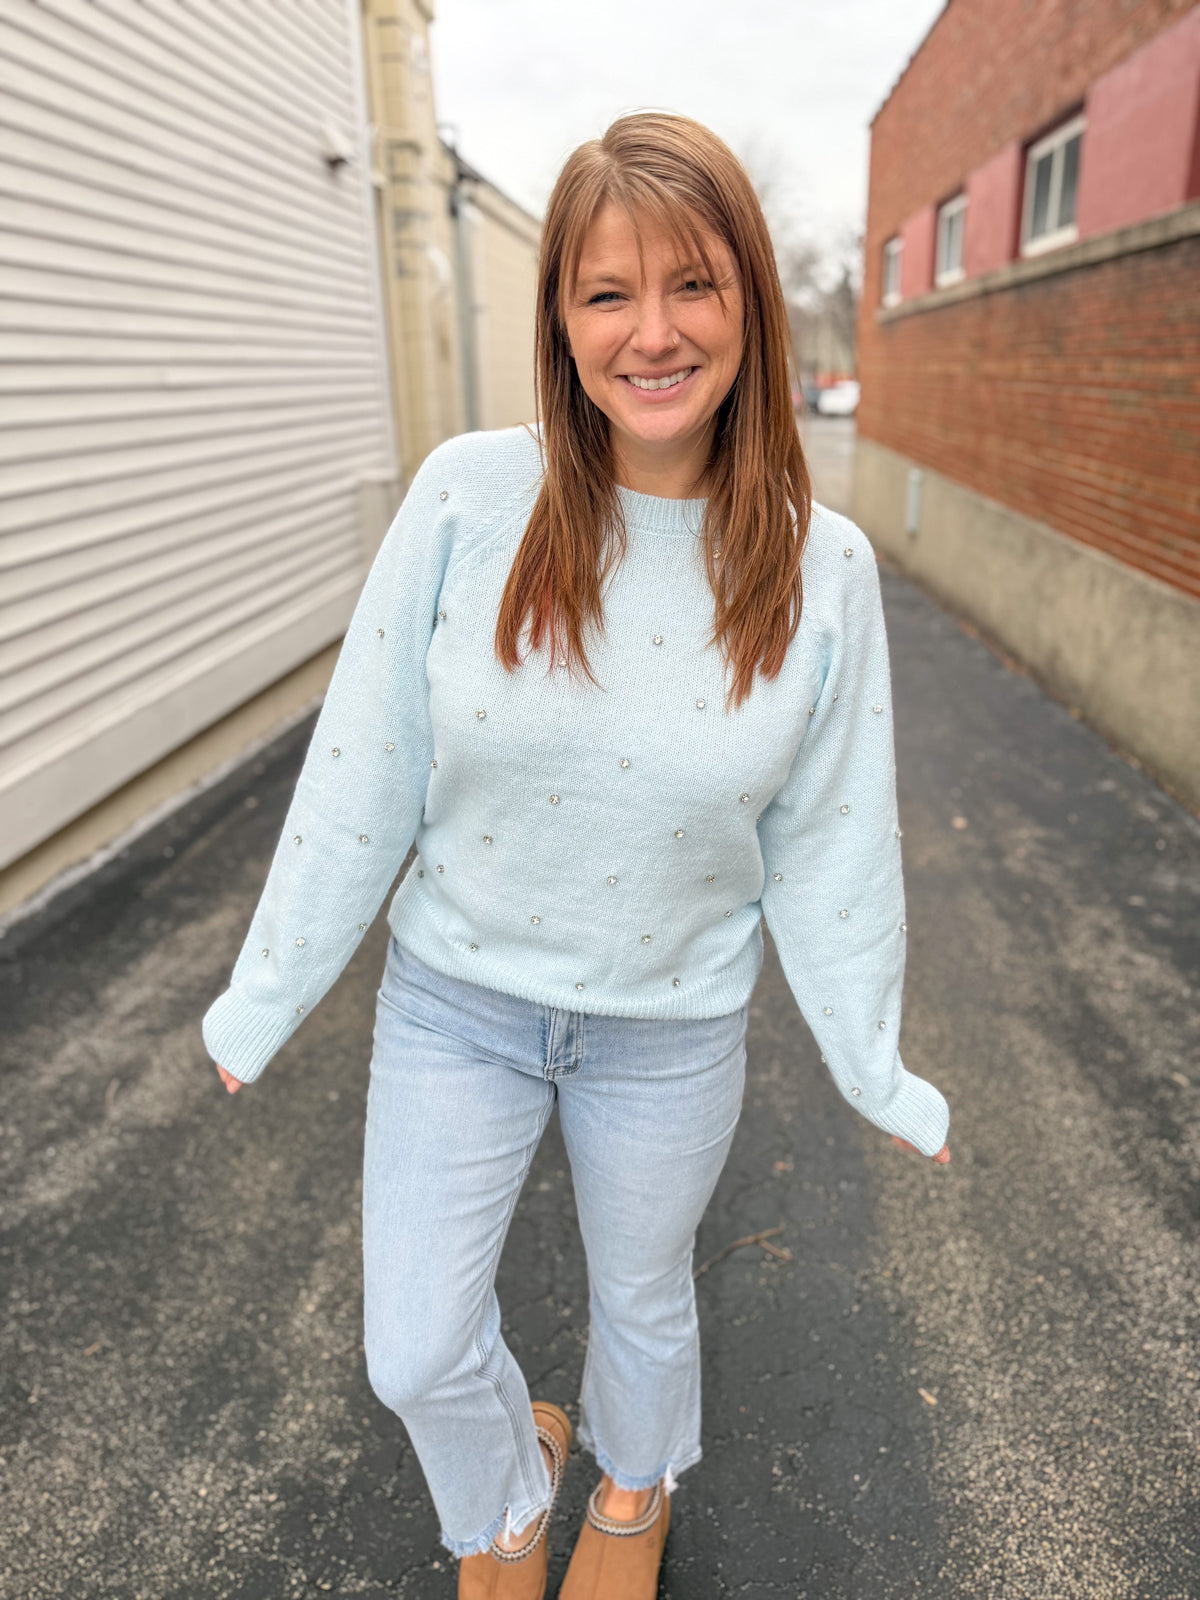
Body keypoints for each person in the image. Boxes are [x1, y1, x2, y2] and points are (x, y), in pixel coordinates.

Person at [202, 110, 950, 1600]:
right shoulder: (474, 498)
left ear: (750, 303)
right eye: (609, 293)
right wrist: (269, 987)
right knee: (413, 1342)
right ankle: (508, 1496)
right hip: (455, 1004)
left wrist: (871, 1056)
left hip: (669, 1029)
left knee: (644, 1302)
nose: (652, 332)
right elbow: (365, 766)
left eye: (693, 285)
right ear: (560, 314)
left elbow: (836, 836)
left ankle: (629, 1486)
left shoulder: (823, 566)